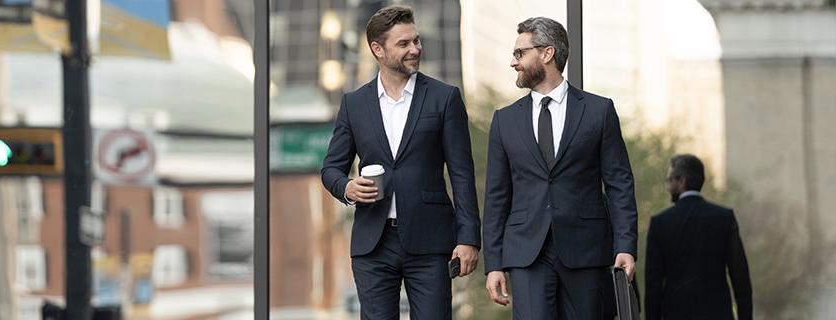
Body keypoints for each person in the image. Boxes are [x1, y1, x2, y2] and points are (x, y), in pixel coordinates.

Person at [320, 5, 480, 319]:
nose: (415, 49)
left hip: (431, 242)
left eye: (416, 41)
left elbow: (462, 173)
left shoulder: (444, 97)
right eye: (404, 44)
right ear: (378, 50)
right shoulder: (354, 103)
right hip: (373, 243)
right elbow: (330, 169)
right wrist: (348, 188)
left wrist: (468, 238)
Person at [482, 16, 638, 319]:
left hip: (587, 251)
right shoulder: (504, 120)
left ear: (547, 53)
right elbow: (496, 197)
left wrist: (626, 245)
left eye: (519, 53)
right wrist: (494, 264)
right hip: (526, 254)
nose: (513, 62)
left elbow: (620, 183)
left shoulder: (598, 111)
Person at [645, 154, 752, 320]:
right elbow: (740, 277)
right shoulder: (724, 218)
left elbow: (653, 285)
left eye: (670, 180)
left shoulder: (660, 223)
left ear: (681, 181)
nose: (668, 187)